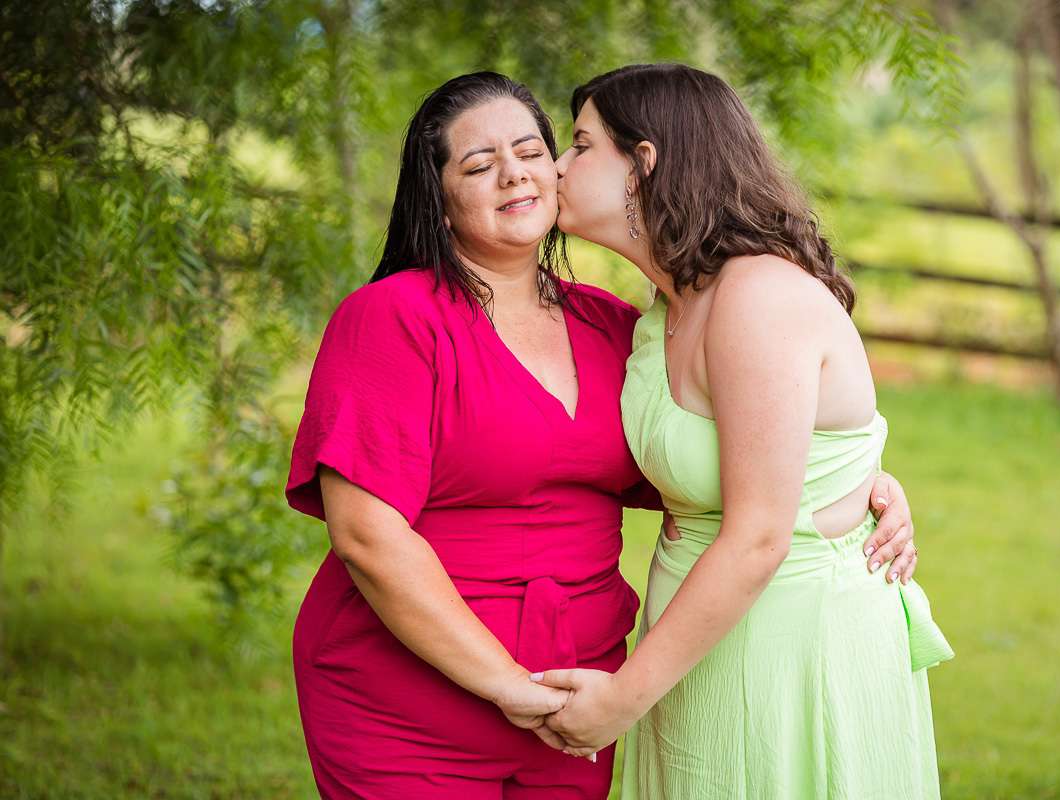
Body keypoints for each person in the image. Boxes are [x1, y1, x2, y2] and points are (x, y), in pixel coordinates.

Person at [285, 71, 921, 799]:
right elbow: (367, 535)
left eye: (536, 148)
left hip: (574, 706)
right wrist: (502, 683)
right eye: (478, 163)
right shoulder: (392, 319)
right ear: (439, 195)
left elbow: (711, 467)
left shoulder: (620, 329)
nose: (522, 172)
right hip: (409, 704)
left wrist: (857, 485)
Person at [539, 63, 954, 800]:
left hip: (791, 648)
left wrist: (620, 700)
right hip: (698, 640)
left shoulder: (758, 295)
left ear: (643, 163)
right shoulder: (666, 312)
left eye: (579, 145)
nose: (556, 166)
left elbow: (762, 535)